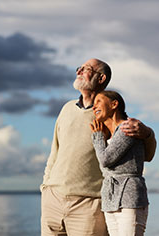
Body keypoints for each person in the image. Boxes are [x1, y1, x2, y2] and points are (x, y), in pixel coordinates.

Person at [40, 58, 156, 236]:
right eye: (79, 67)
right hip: (52, 202)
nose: (78, 71)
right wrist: (45, 188)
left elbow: (146, 155)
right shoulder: (66, 109)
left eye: (85, 69)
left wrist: (148, 133)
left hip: (89, 206)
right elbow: (54, 152)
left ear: (101, 78)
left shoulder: (109, 117)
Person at [90, 91, 149, 236]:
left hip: (129, 196)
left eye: (98, 101)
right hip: (110, 198)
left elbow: (105, 160)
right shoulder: (111, 135)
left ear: (114, 104)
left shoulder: (127, 128)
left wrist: (97, 138)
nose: (93, 106)